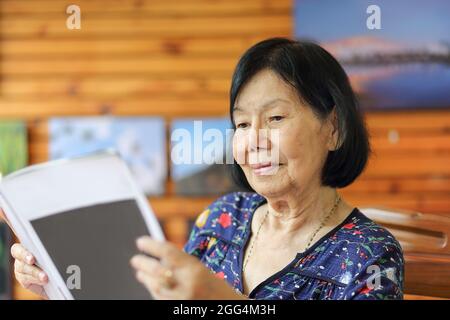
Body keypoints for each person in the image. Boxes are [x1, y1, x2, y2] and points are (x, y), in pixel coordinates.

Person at [3, 38, 404, 300]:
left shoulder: (370, 254)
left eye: (276, 118)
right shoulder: (222, 218)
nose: (254, 140)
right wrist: (58, 281)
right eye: (242, 124)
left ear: (332, 128)